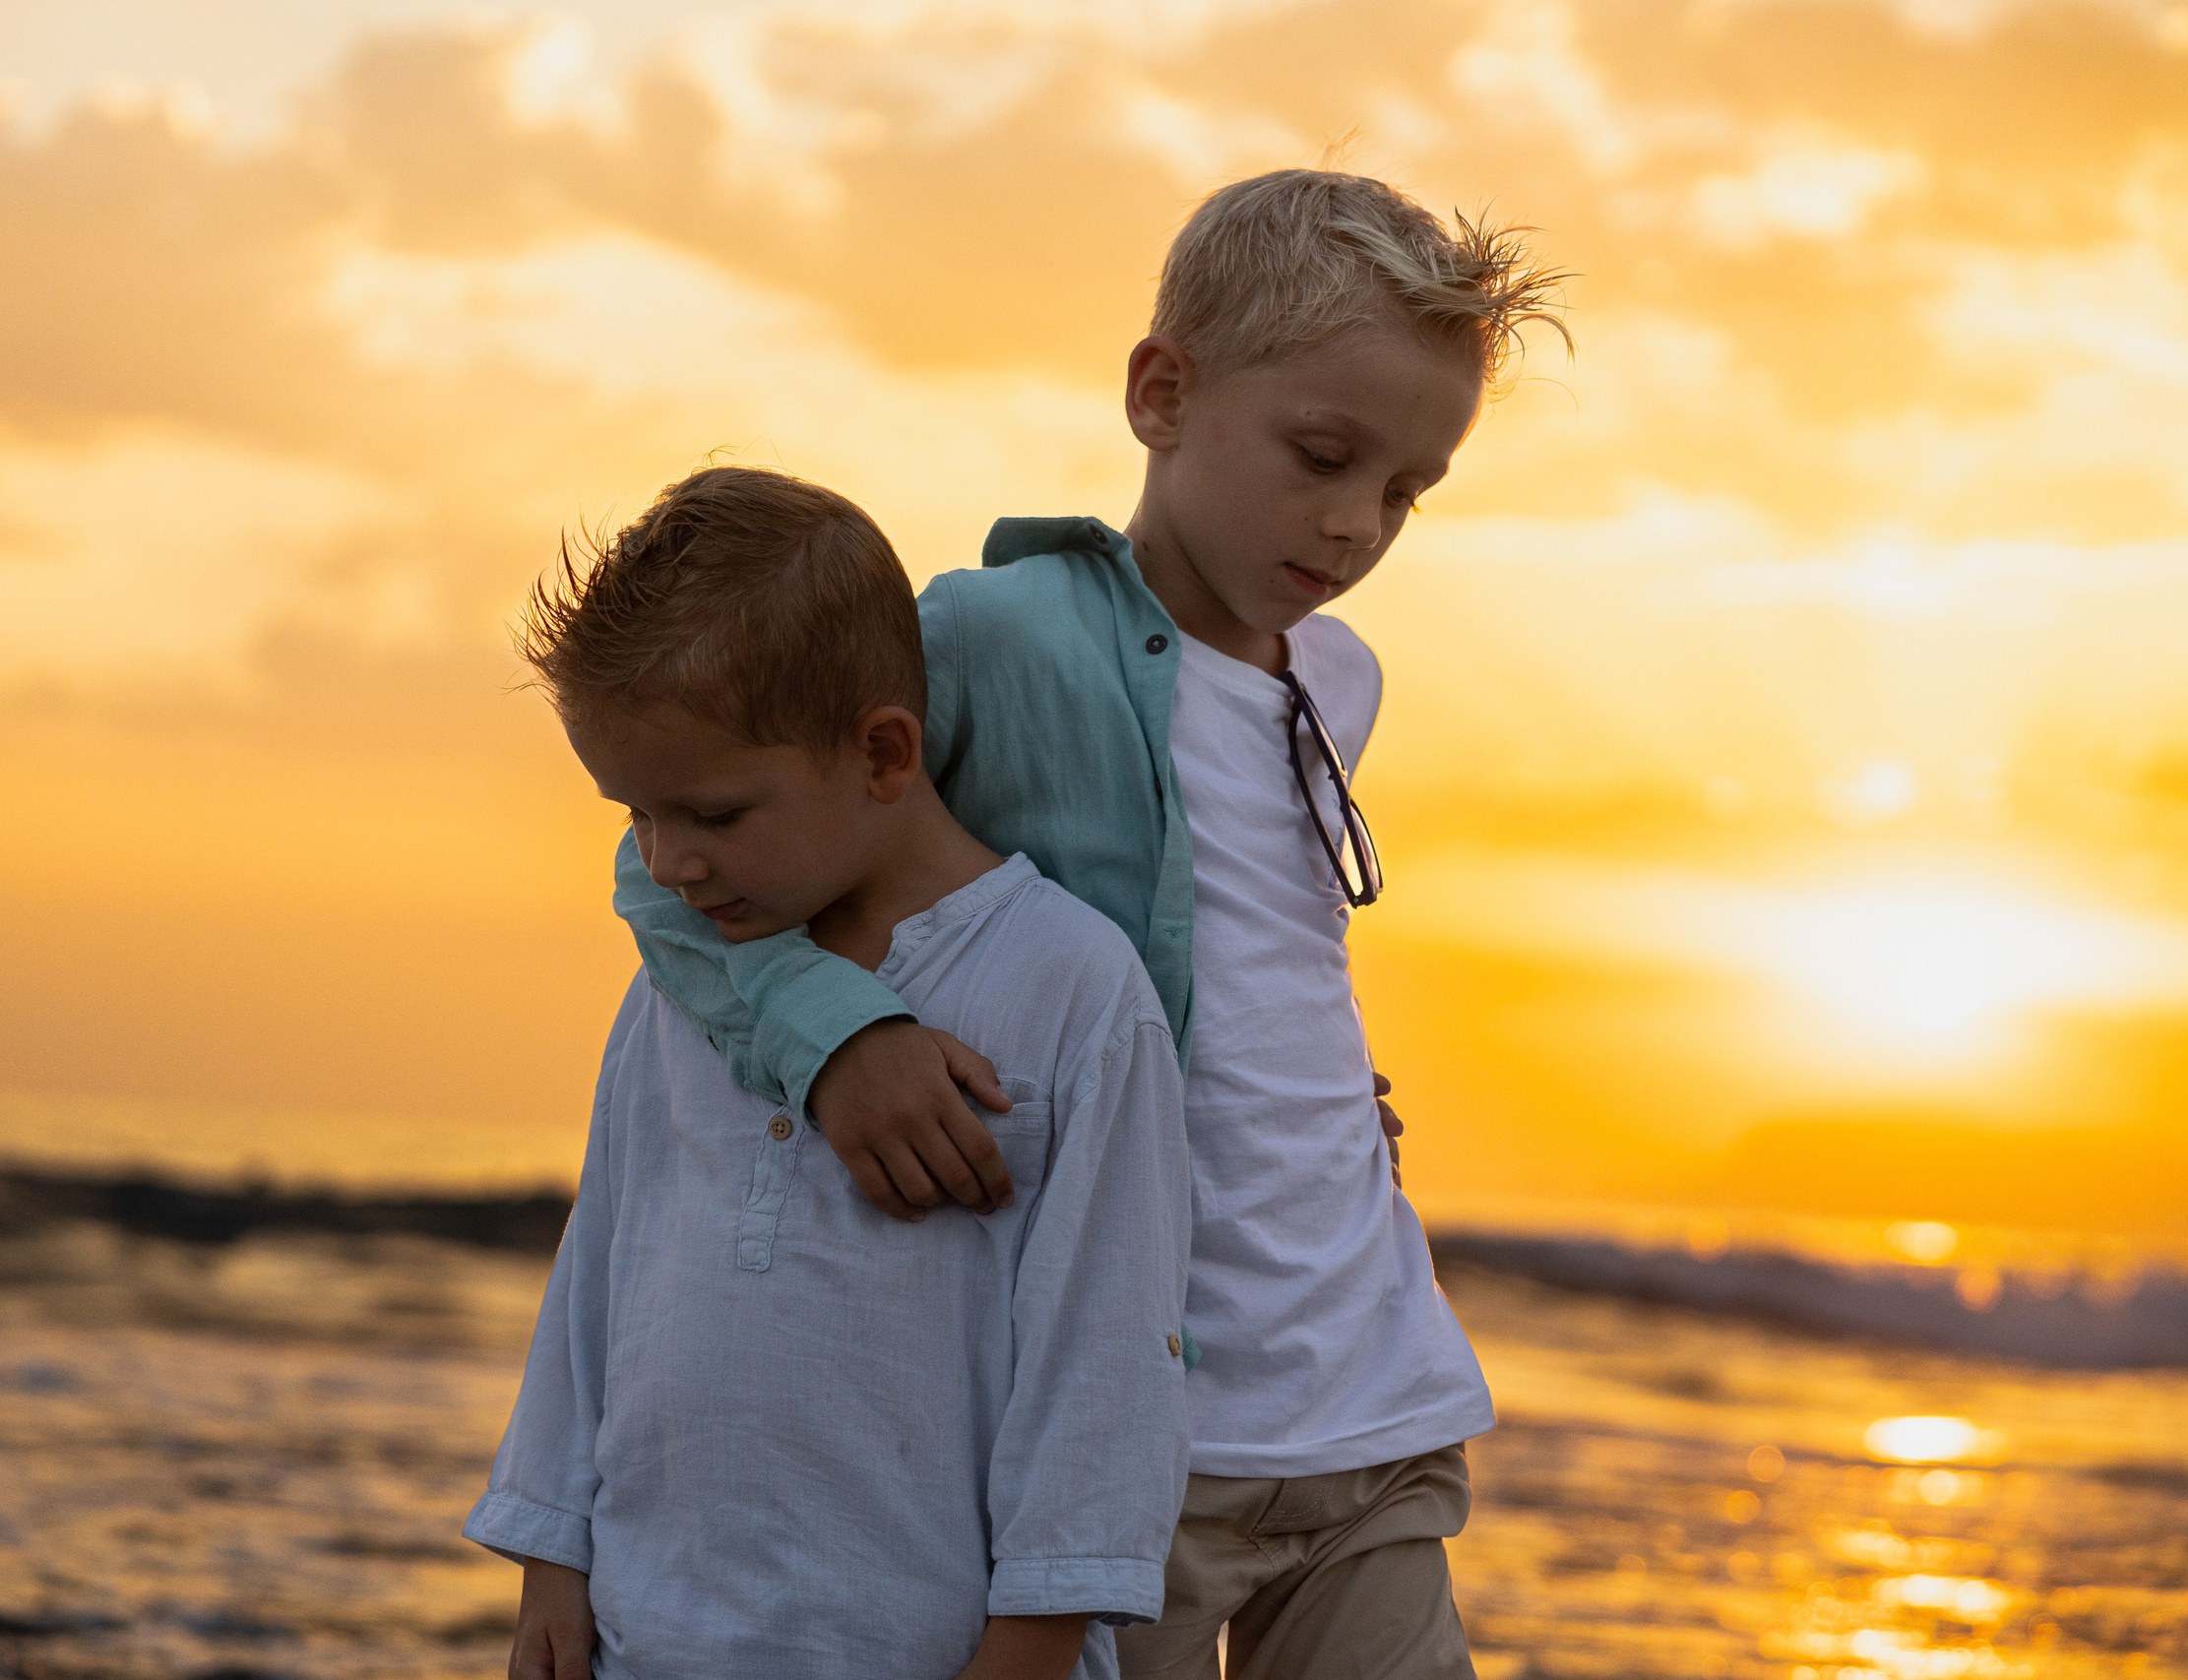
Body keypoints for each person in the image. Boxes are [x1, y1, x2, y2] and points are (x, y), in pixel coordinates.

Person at [613, 169, 1567, 1678]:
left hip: (1369, 1397)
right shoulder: (994, 636)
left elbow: (1247, 939)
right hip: (1133, 1431)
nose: (1357, 523)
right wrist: (833, 1036)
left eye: (1406, 489)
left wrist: (1312, 1093)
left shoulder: (1343, 680)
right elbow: (672, 860)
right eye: (1323, 456)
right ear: (1162, 394)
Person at [464, 467, 1195, 1680]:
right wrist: (553, 1550)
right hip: (651, 1639)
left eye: (713, 814)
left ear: (883, 753)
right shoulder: (683, 983)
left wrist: (1032, 1647)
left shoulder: (1071, 985)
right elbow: (602, 1261)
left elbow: (1107, 1360)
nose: (667, 863)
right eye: (635, 814)